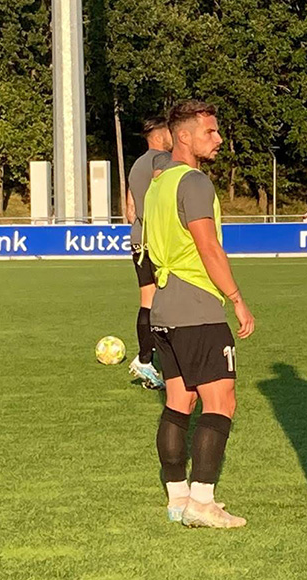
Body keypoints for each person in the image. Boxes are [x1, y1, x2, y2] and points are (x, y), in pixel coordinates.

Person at [143, 100, 255, 529]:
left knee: (179, 400)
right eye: (210, 131)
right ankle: (202, 502)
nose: (218, 139)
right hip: (197, 307)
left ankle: (178, 497)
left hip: (164, 306)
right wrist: (236, 297)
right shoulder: (194, 182)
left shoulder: (158, 184)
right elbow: (208, 246)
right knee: (221, 401)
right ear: (184, 136)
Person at [126, 117, 172, 389]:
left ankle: (147, 359)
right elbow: (163, 195)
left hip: (139, 237)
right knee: (165, 299)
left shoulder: (137, 164)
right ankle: (152, 358)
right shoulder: (161, 160)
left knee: (149, 299)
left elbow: (130, 207)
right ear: (159, 133)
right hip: (156, 240)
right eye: (170, 131)